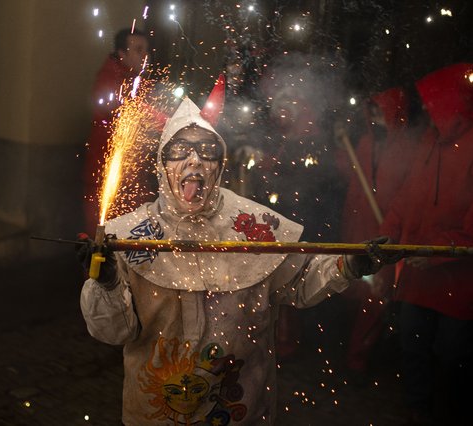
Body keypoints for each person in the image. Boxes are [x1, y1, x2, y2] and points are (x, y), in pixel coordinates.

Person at [76, 87, 388, 425]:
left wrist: (349, 265)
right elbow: (113, 333)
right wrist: (105, 282)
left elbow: (299, 282)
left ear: (220, 164)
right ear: (162, 164)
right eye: (180, 150)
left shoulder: (252, 224)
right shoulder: (130, 236)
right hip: (157, 413)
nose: (194, 160)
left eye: (207, 151)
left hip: (239, 409)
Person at [379, 63, 473, 425]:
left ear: (451, 101)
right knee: (412, 342)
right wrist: (390, 231)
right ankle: (418, 410)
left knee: (453, 354)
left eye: (433, 100)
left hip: (466, 279)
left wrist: (440, 251)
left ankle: (452, 415)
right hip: (421, 273)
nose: (425, 108)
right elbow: (409, 195)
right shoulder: (431, 140)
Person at [334, 87, 419, 384]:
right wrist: (342, 148)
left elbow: (408, 194)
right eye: (371, 111)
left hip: (385, 231)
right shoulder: (366, 142)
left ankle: (357, 361)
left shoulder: (408, 148)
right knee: (355, 291)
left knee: (376, 297)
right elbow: (350, 174)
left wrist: (392, 229)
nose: (374, 117)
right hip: (358, 228)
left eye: (379, 110)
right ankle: (349, 350)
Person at [82, 28, 156, 235]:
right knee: (102, 237)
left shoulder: (138, 80)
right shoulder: (109, 78)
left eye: (147, 50)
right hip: (105, 175)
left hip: (132, 177)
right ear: (122, 53)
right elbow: (122, 108)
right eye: (139, 50)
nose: (145, 56)